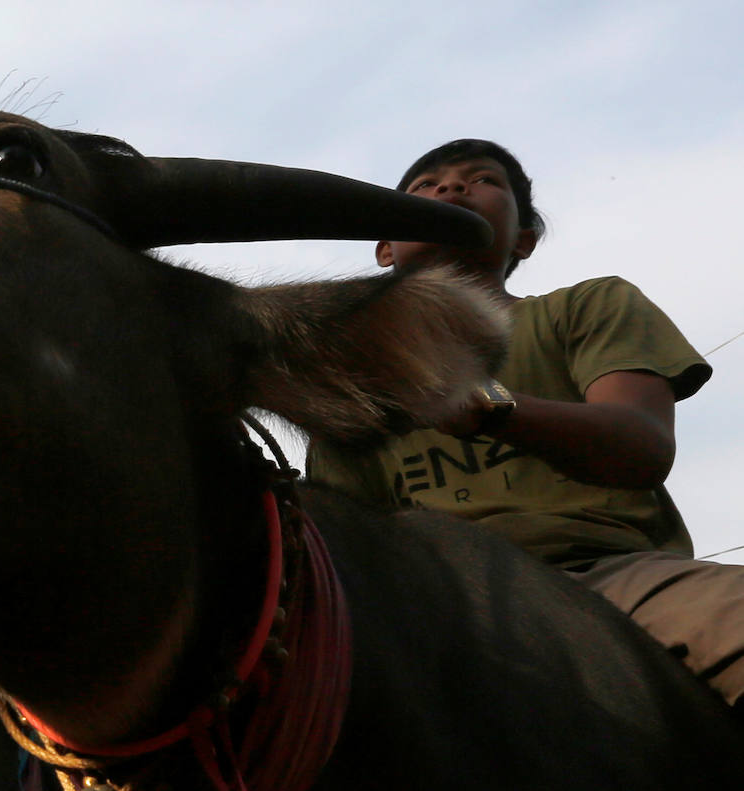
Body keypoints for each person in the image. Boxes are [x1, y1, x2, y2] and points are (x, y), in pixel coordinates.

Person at [306, 138, 744, 709]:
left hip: (612, 575)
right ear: (385, 248)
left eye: (483, 179)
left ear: (524, 238)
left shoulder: (587, 307)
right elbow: (344, 543)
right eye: (424, 186)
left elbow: (641, 446)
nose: (451, 188)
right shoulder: (353, 379)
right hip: (431, 608)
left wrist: (484, 405)